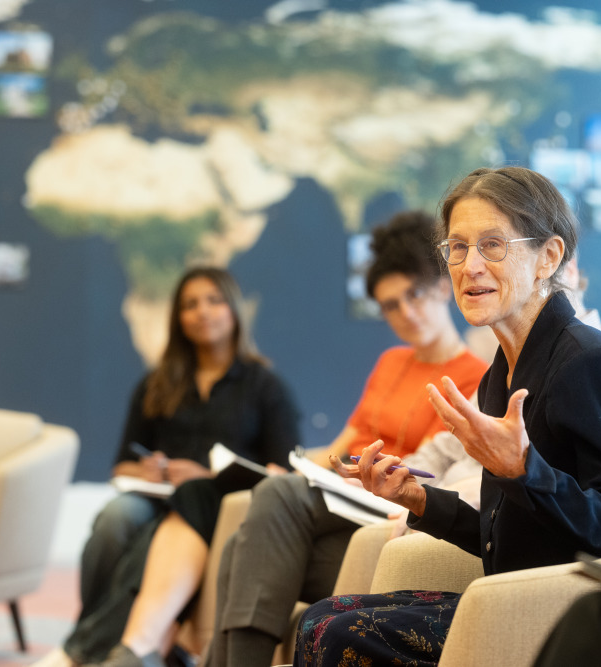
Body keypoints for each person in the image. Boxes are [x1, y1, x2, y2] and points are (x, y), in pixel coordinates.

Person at [294, 166, 601, 666]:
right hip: (511, 592)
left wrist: (523, 470)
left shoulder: (590, 362)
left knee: (343, 635)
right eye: (457, 247)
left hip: (565, 613)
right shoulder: (503, 370)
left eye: (493, 245)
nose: (469, 266)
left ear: (548, 257)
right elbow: (505, 538)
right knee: (320, 618)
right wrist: (418, 498)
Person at [195, 211, 489, 667]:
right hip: (351, 490)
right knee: (248, 539)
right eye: (391, 305)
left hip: (387, 502)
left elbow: (428, 470)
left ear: (439, 286)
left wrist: (335, 476)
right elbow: (341, 445)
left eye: (413, 295)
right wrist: (311, 468)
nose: (405, 313)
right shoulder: (392, 362)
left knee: (274, 502)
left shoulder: (474, 378)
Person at [36, 266, 300, 667]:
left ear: (234, 309)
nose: (202, 312)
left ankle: (83, 651)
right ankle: (101, 643)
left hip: (217, 504)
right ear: (178, 318)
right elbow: (120, 467)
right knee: (114, 518)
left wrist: (208, 477)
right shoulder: (156, 383)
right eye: (190, 304)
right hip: (153, 496)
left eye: (213, 300)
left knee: (149, 542)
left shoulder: (266, 386)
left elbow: (282, 472)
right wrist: (146, 471)